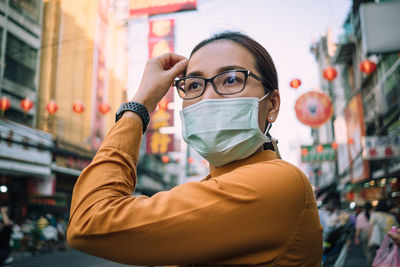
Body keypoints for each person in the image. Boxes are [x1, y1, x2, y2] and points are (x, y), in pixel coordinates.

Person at [67, 31, 323, 266]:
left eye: (231, 80)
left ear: (272, 105)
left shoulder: (278, 182)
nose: (208, 98)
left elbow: (90, 220)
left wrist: (140, 105)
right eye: (194, 85)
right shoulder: (213, 185)